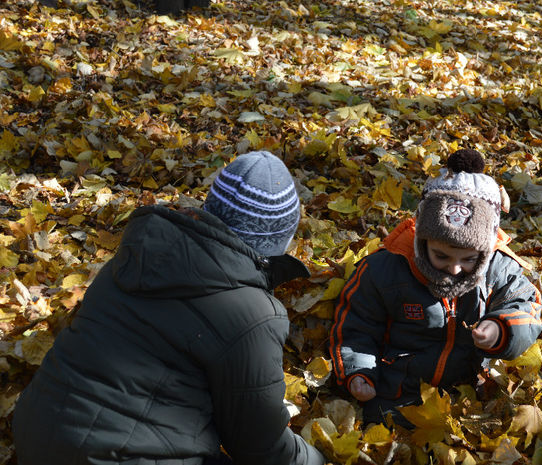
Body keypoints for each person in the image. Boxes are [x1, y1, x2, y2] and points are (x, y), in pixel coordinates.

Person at [12, 151, 325, 465]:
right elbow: (261, 448)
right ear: (274, 243)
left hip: (34, 434)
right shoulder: (253, 315)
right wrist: (315, 458)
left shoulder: (133, 257)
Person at [329, 149, 542, 427]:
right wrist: (358, 373)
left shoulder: (498, 268)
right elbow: (355, 326)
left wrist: (501, 328)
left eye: (468, 259)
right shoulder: (386, 270)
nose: (454, 268)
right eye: (441, 256)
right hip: (398, 387)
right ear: (421, 241)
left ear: (487, 249)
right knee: (384, 431)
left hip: (472, 391)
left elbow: (526, 305)